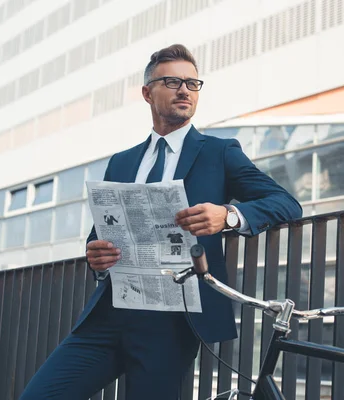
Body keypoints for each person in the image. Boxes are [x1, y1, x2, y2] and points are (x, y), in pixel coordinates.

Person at [20, 44, 302, 400]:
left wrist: (228, 216)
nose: (184, 90)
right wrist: (98, 257)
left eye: (192, 83)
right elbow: (101, 232)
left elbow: (286, 203)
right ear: (147, 93)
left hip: (171, 322)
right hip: (109, 314)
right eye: (171, 82)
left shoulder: (220, 152)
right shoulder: (121, 163)